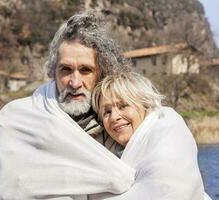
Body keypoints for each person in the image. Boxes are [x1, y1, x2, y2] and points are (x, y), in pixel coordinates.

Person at [0, 11, 135, 200]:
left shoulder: (119, 123)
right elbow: (12, 189)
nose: (75, 83)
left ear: (101, 73)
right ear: (53, 70)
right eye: (66, 70)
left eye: (85, 70)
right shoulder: (17, 121)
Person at [90, 72, 212, 200]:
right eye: (107, 112)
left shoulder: (168, 139)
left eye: (123, 106)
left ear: (145, 105)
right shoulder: (110, 153)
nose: (114, 117)